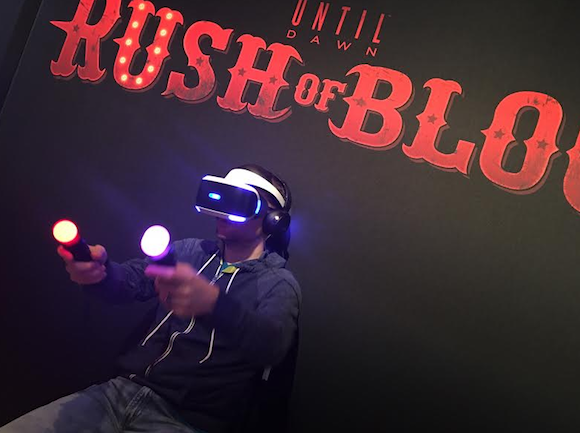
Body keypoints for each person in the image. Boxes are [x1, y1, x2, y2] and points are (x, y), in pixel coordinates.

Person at [0, 164, 301, 433]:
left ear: (273, 220)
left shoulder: (277, 283)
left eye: (238, 202)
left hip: (185, 421)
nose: (223, 212)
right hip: (117, 395)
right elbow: (130, 281)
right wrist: (100, 274)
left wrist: (215, 305)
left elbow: (272, 346)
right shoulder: (191, 251)